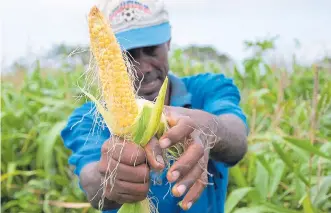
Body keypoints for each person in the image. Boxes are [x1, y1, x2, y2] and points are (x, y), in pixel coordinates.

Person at [60, 0, 248, 213]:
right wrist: (110, 178)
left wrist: (209, 129)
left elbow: (237, 141)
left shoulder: (208, 89)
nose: (143, 69)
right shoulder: (88, 118)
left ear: (168, 42)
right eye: (127, 56)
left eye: (151, 50)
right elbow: (91, 182)